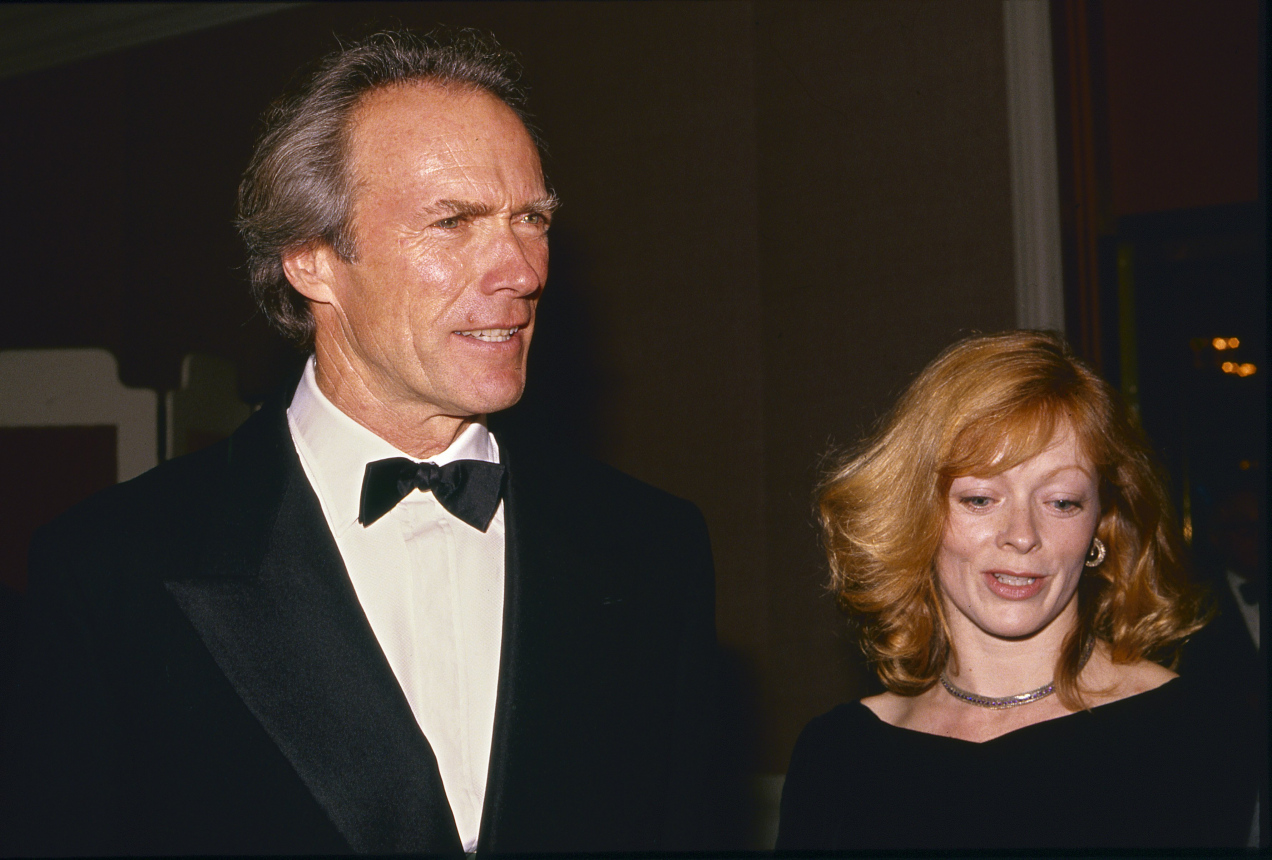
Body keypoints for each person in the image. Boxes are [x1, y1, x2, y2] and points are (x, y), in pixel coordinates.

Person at [2, 30, 720, 855]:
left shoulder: (653, 548)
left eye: (531, 219)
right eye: (453, 221)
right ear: (312, 260)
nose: (522, 271)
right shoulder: (109, 571)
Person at [777, 330, 1259, 850]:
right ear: (917, 516)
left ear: (1101, 524)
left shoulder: (1194, 734)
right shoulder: (838, 755)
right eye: (980, 499)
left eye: (1062, 502)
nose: (1023, 535)